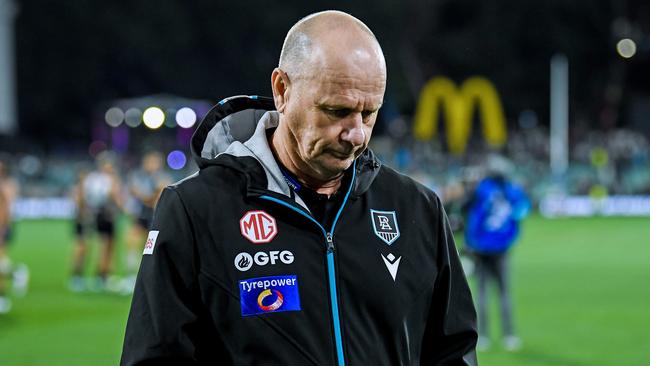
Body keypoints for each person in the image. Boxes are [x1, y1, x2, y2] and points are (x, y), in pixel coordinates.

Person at [121, 10, 477, 365]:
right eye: (336, 111)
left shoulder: (416, 209)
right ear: (282, 90)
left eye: (369, 114)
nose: (356, 135)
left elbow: (453, 353)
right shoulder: (195, 210)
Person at [463, 172, 530, 351]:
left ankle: (482, 336)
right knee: (504, 294)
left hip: (481, 247)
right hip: (501, 248)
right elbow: (522, 210)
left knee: (482, 294)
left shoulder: (481, 189)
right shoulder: (511, 190)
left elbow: (472, 215)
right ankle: (509, 335)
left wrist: (470, 242)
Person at [123, 151, 170, 292]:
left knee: (152, 250)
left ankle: (152, 279)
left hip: (155, 218)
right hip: (140, 217)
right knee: (132, 246)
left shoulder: (162, 177)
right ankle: (131, 278)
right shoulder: (139, 176)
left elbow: (155, 195)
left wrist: (145, 195)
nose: (151, 165)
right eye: (149, 162)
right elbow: (136, 193)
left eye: (154, 162)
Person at [82, 155, 123, 290]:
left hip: (99, 214)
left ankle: (103, 275)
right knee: (106, 246)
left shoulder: (93, 178)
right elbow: (112, 195)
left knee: (106, 245)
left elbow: (87, 196)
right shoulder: (107, 180)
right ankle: (102, 276)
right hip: (105, 215)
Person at [0, 160, 28, 313]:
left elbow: (6, 210)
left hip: (1, 228)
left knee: (1, 260)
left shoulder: (5, 187)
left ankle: (16, 273)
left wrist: (3, 229)